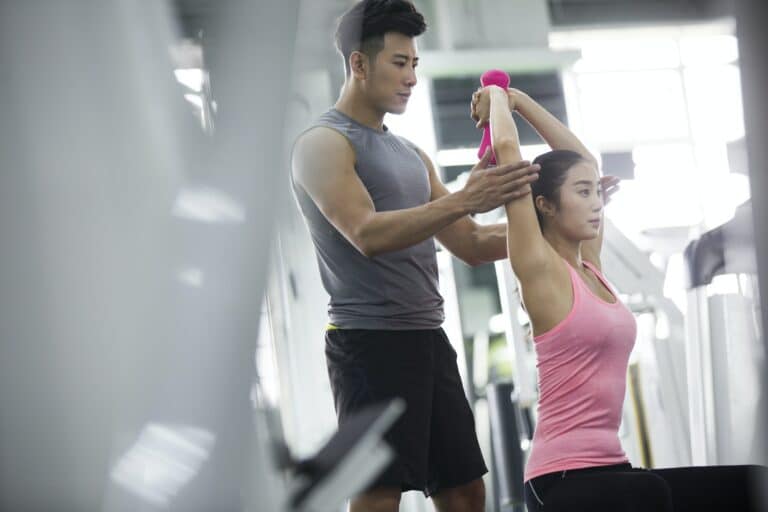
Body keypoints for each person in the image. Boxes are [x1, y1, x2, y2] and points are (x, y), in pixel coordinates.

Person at [290, 1, 541, 511]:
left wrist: (554, 229)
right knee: (380, 497)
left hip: (428, 337)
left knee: (466, 490)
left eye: (415, 65)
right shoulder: (323, 144)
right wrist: (465, 197)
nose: (410, 78)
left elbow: (469, 244)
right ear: (359, 64)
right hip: (369, 347)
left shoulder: (410, 154)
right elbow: (365, 233)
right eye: (399, 63)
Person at [471, 83, 768, 511]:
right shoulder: (539, 269)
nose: (597, 203)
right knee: (650, 494)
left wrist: (519, 99)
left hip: (612, 469)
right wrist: (497, 97)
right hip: (560, 479)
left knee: (749, 486)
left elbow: (585, 159)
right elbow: (505, 147)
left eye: (596, 191)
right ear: (546, 205)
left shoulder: (591, 266)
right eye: (583, 192)